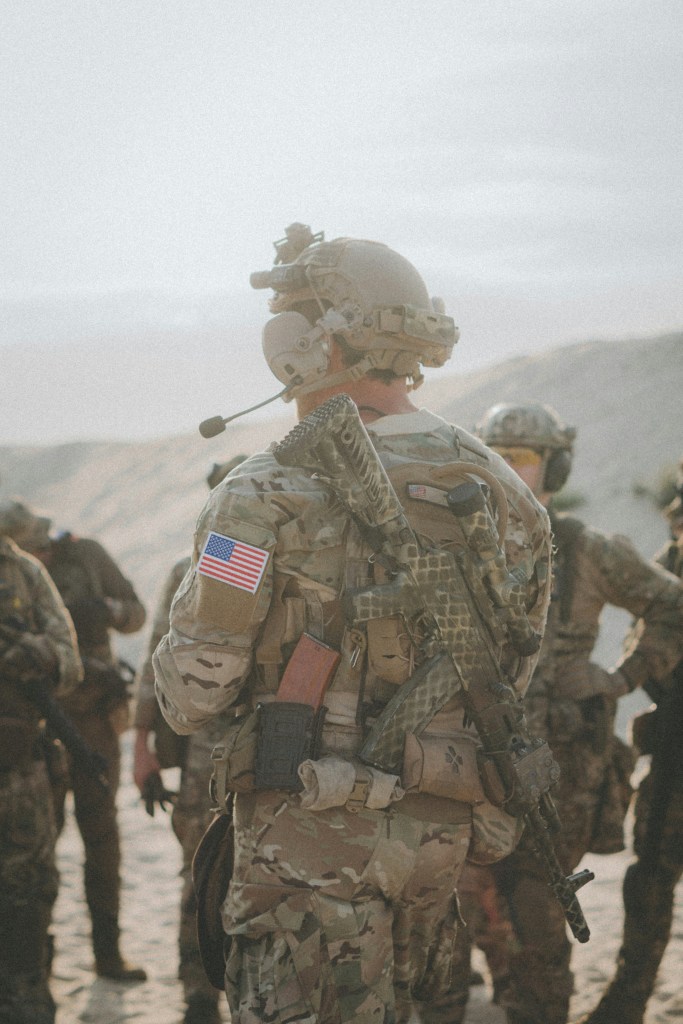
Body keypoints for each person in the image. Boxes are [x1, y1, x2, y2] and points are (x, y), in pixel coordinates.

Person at [153, 229, 554, 1024]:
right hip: (437, 840)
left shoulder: (258, 493)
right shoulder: (506, 491)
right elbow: (515, 664)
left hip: (306, 841)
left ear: (312, 344)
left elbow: (198, 688)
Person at [448, 404, 683, 1024]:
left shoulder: (583, 548)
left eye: (526, 457)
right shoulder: (448, 545)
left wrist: (621, 675)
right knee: (450, 916)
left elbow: (670, 606)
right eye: (499, 455)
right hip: (458, 762)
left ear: (554, 465)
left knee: (538, 919)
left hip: (558, 773)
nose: (511, 470)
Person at [133, 455, 247, 1024]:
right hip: (206, 750)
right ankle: (199, 994)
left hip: (272, 744)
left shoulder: (291, 561)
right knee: (199, 872)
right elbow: (155, 659)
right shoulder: (200, 565)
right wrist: (141, 748)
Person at [575, 461, 683, 1024]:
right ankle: (630, 994)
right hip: (677, 753)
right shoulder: (669, 570)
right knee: (652, 875)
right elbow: (652, 651)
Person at [23, 512, 148, 982]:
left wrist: (106, 611)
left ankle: (107, 953)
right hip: (39, 728)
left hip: (95, 723)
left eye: (44, 550)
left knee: (101, 838)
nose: (40, 558)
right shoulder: (13, 573)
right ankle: (34, 962)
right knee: (37, 845)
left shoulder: (88, 556)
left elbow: (136, 614)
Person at [0, 500, 83, 1023]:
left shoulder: (25, 573)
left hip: (17, 769)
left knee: (29, 891)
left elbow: (69, 661)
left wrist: (38, 654)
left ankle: (26, 1001)